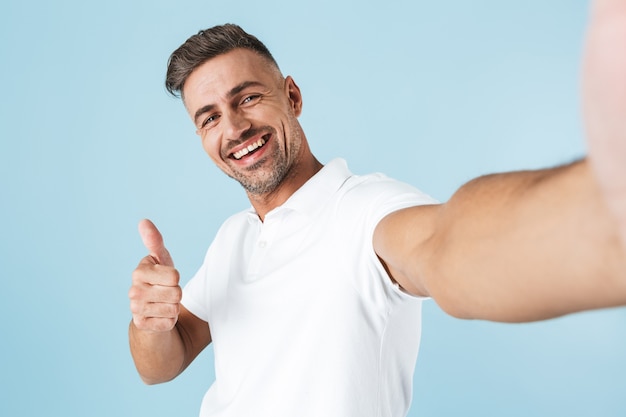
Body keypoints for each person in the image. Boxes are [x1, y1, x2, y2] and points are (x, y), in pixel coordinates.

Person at [128, 1, 626, 416]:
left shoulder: (364, 211)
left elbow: (445, 246)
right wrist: (150, 323)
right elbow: (162, 364)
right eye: (210, 117)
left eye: (249, 97)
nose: (233, 128)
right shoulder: (233, 238)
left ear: (293, 97)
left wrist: (603, 211)